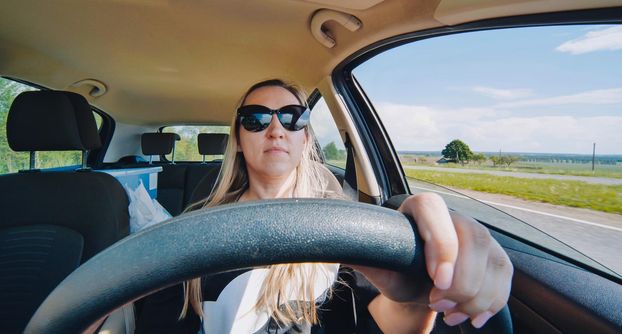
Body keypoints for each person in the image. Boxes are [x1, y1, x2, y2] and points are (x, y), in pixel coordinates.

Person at [135, 79, 513, 333]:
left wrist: (418, 290)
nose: (276, 129)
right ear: (237, 138)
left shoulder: (341, 229)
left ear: (305, 136)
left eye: (291, 117)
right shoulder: (196, 226)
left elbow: (384, 320)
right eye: (255, 119)